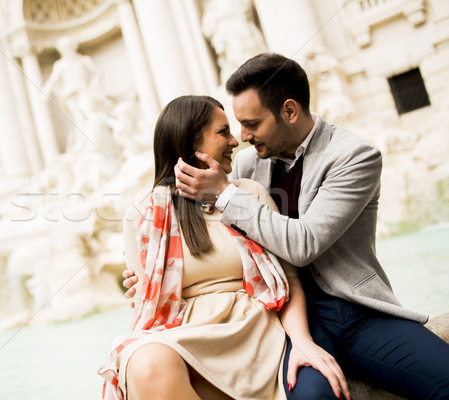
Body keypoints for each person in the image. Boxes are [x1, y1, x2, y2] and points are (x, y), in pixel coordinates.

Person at [124, 53, 449, 399]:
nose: (242, 137)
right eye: (236, 126)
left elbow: (303, 243)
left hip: (352, 311)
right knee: (312, 396)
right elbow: (213, 227)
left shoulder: (354, 156)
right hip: (281, 317)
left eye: (251, 123)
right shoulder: (249, 164)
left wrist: (224, 192)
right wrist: (151, 272)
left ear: (289, 112)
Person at [100, 95, 351, 400]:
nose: (235, 141)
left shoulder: (248, 193)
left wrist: (303, 342)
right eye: (223, 132)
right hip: (186, 335)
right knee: (146, 362)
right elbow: (146, 306)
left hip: (256, 330)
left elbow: (289, 279)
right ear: (191, 143)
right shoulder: (141, 216)